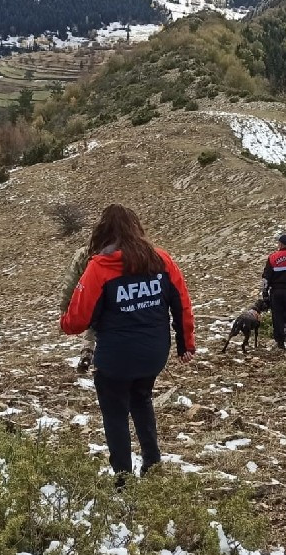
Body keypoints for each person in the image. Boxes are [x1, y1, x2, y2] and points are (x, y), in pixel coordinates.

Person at [61, 204, 196, 483]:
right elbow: (182, 304)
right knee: (141, 398)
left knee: (115, 414)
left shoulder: (100, 266)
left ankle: (123, 479)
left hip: (116, 358)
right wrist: (185, 344)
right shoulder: (162, 260)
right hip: (154, 353)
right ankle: (153, 463)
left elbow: (76, 320)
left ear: (104, 231)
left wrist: (67, 322)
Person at [60, 243, 96, 373]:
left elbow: (71, 281)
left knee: (90, 325)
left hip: (88, 295)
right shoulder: (125, 250)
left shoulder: (84, 253)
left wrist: (64, 305)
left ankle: (87, 351)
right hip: (114, 296)